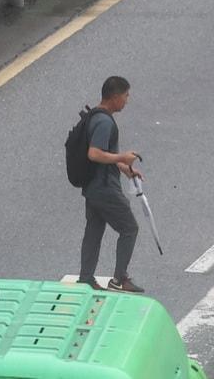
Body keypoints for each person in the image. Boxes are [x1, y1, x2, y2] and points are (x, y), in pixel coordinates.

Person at [77, 75, 144, 293]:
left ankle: (86, 278)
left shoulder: (95, 116)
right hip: (104, 188)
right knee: (129, 228)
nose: (127, 100)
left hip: (92, 186)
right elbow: (95, 154)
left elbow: (104, 154)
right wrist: (122, 157)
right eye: (125, 96)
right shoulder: (105, 122)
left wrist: (126, 170)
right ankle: (119, 279)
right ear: (115, 97)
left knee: (94, 230)